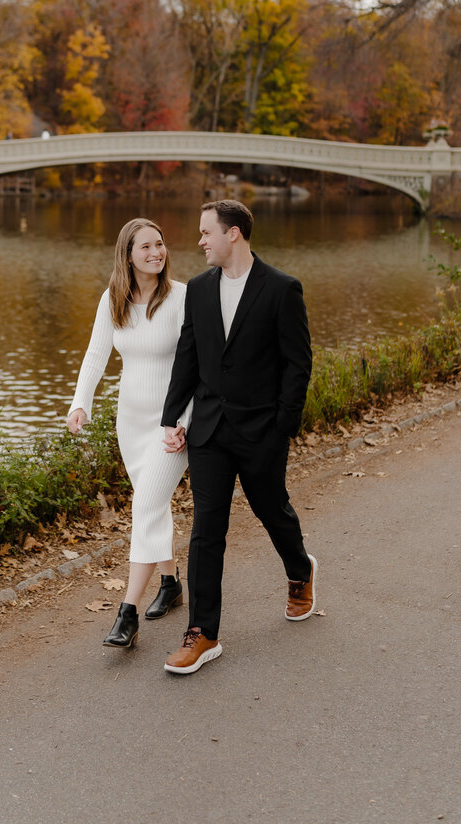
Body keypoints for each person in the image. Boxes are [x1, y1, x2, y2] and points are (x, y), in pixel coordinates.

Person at [160, 199, 316, 674]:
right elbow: (188, 355)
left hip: (261, 430)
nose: (200, 241)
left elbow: (298, 363)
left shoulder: (281, 289)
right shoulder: (200, 291)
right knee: (207, 531)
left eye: (207, 232)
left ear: (234, 235)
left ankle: (300, 570)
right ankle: (203, 633)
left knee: (272, 509)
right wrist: (172, 418)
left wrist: (282, 425)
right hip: (208, 429)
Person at [67, 218, 190, 649]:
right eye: (146, 247)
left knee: (145, 504)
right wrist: (80, 401)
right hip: (131, 421)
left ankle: (128, 611)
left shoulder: (181, 298)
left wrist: (184, 422)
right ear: (128, 255)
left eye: (160, 244)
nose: (156, 252)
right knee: (153, 505)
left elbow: (197, 368)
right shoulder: (113, 299)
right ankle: (171, 582)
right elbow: (96, 353)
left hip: (170, 425)